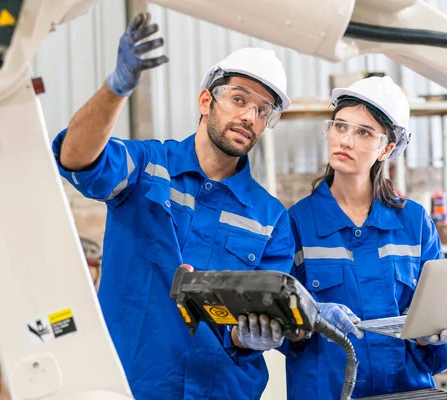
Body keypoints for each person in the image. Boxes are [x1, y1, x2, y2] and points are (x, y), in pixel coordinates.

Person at [52, 12, 294, 400]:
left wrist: (250, 336)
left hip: (222, 390)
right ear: (205, 100)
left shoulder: (270, 218)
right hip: (133, 385)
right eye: (239, 99)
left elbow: (265, 314)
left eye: (263, 110)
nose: (250, 116)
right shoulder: (146, 167)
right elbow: (76, 157)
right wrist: (116, 89)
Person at [283, 76, 447, 399]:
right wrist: (309, 318)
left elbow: (435, 336)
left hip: (407, 392)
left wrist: (434, 335)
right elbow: (281, 328)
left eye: (363, 132)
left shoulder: (415, 224)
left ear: (386, 149)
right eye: (340, 126)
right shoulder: (297, 224)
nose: (345, 140)